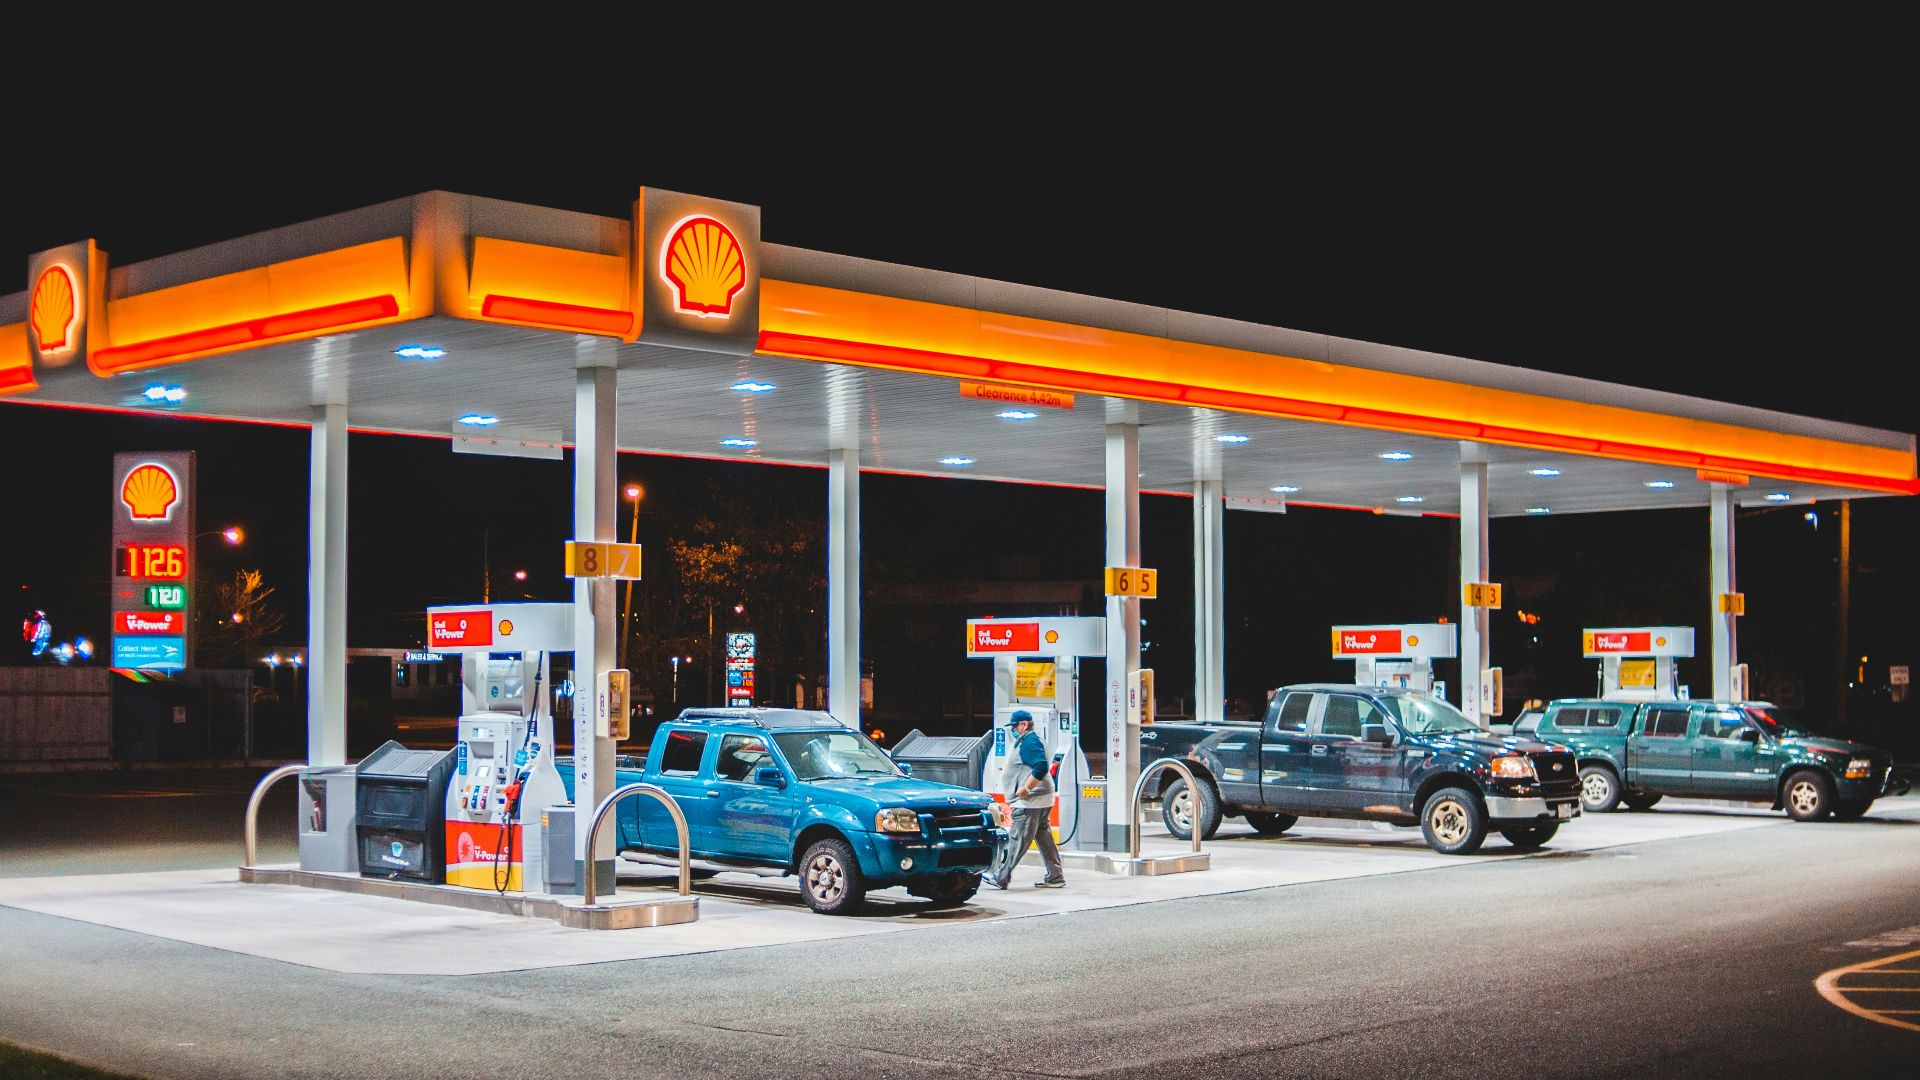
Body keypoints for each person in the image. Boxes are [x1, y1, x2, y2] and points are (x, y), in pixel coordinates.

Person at [983, 710, 1064, 889]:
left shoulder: (1030, 741)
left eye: (1014, 726)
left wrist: (1026, 788)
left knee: (1016, 839)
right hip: (1042, 799)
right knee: (1044, 838)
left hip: (1030, 802)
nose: (1013, 730)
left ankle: (1001, 876)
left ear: (1024, 724)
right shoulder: (1033, 740)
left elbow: (1041, 766)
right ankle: (1055, 876)